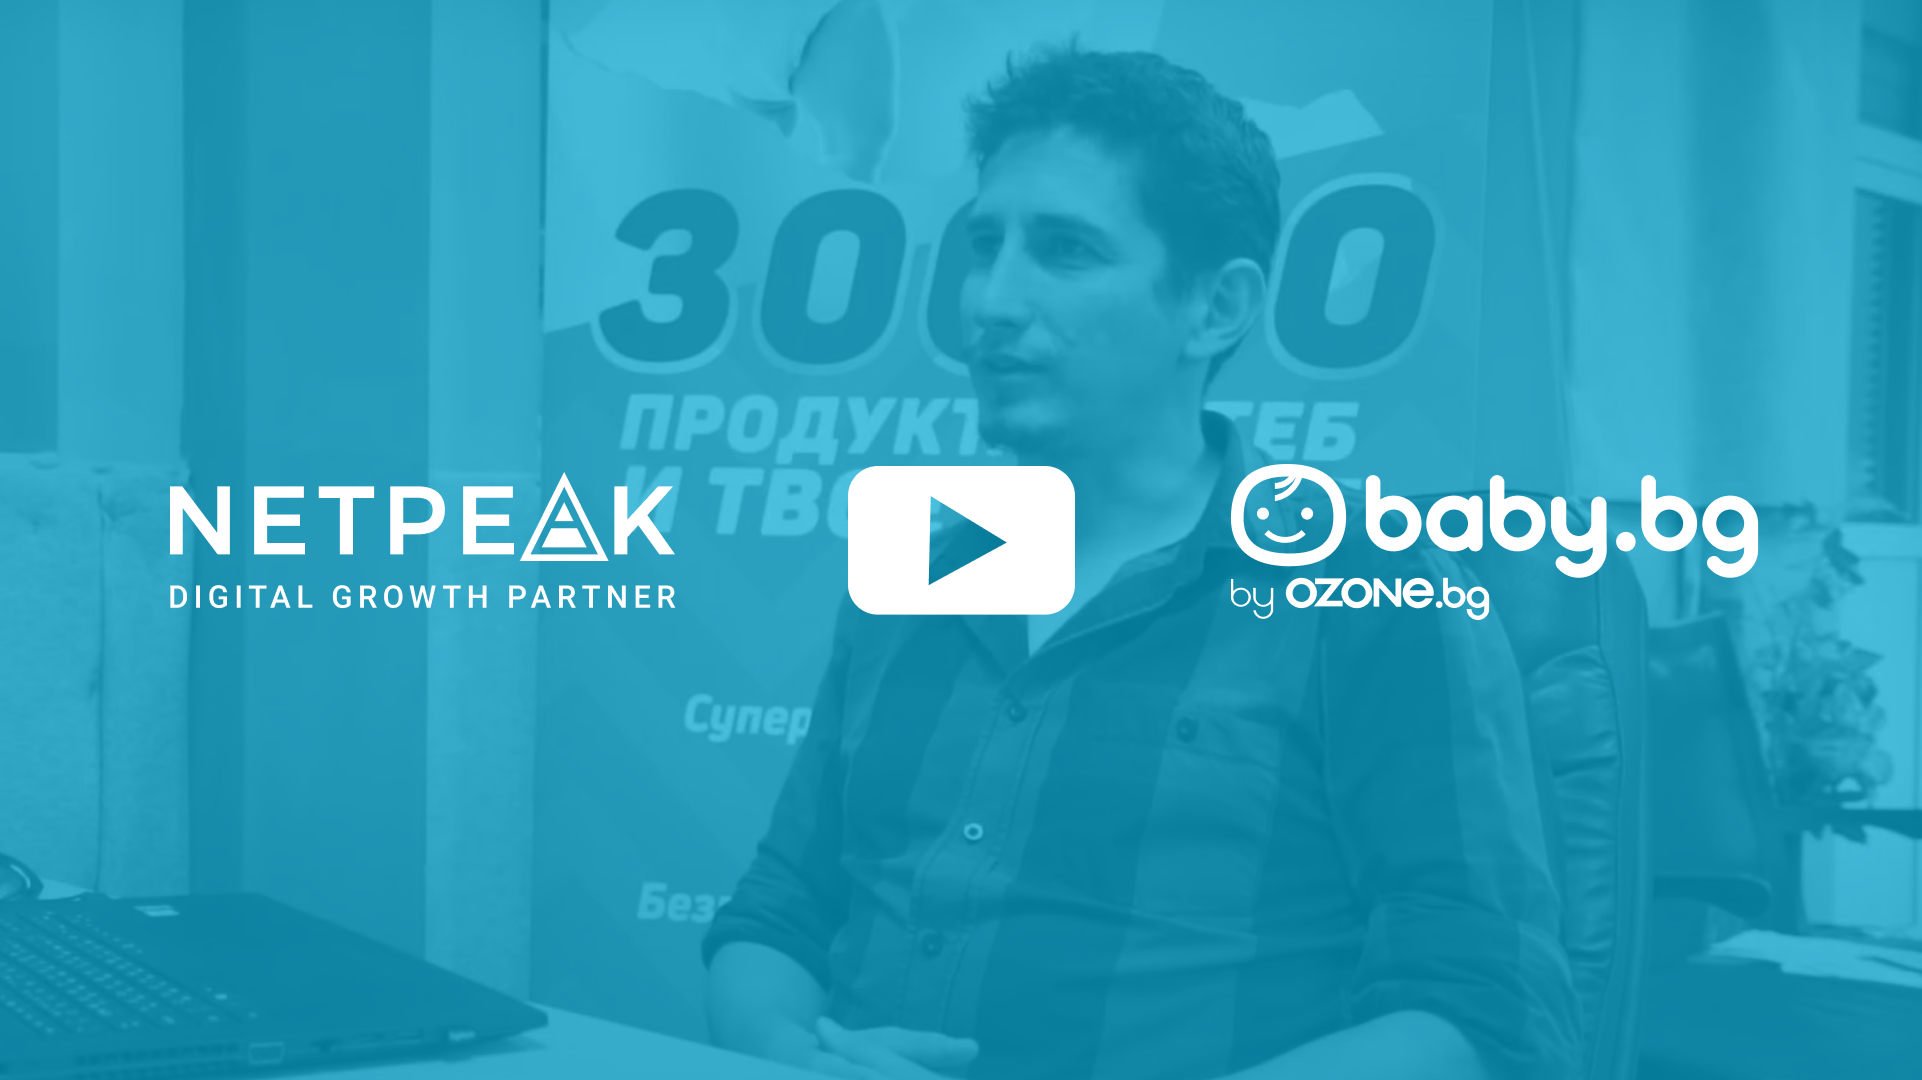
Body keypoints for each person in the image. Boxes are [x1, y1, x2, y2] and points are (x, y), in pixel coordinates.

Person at [704, 45, 1578, 1080]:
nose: (989, 299)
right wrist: (785, 1053)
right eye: (983, 244)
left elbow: (1482, 1008)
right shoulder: (916, 566)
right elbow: (780, 914)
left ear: (1216, 308)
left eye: (1065, 250)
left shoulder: (1376, 588)